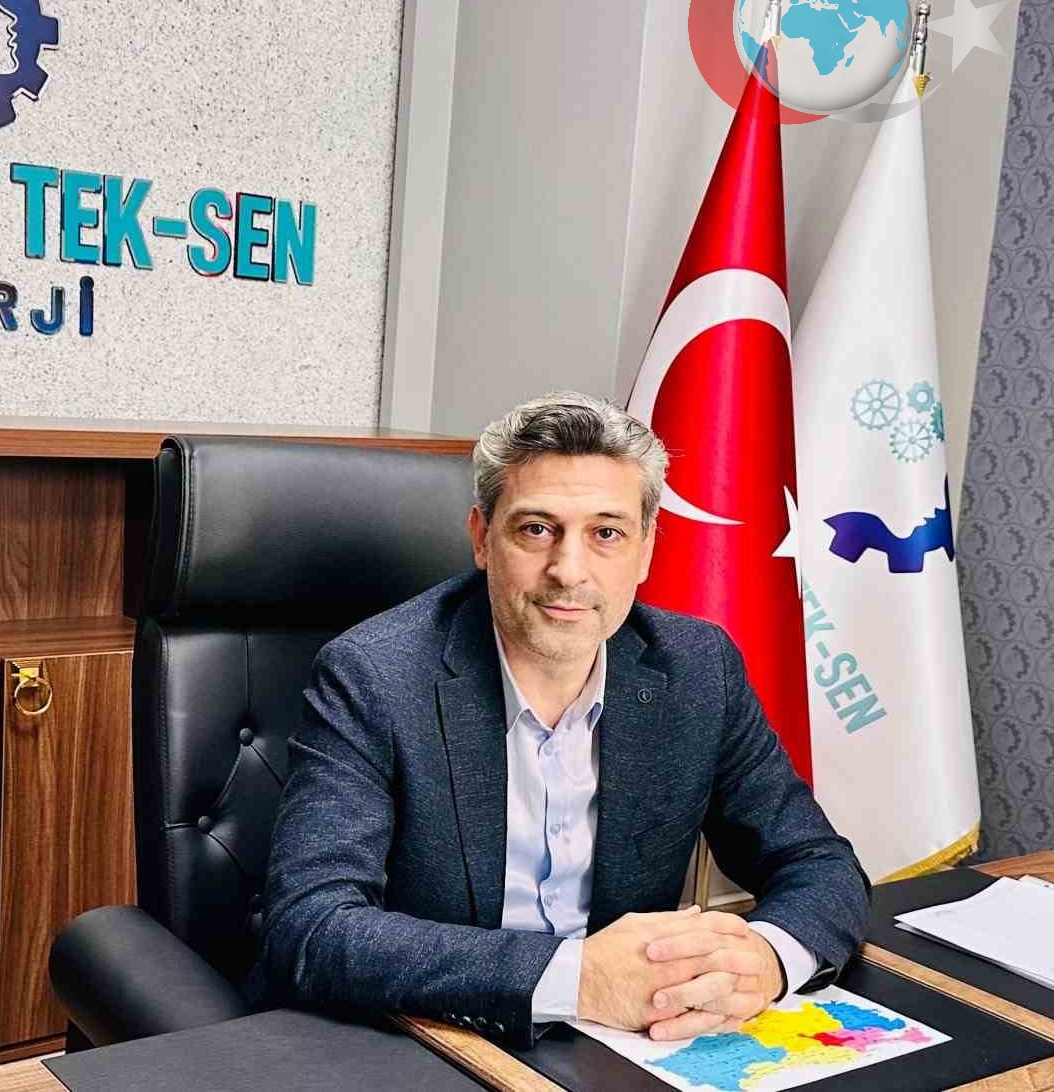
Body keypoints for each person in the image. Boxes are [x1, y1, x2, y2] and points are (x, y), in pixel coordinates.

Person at [247, 391, 870, 1047]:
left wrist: (766, 961)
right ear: (482, 538)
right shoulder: (373, 675)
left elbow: (819, 863)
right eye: (537, 529)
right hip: (419, 1036)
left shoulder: (696, 668)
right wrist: (577, 979)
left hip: (625, 1045)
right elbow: (310, 925)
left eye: (607, 533)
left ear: (646, 550)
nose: (569, 571)